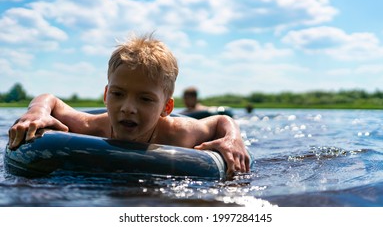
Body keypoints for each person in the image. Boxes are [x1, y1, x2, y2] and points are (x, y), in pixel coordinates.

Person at [8, 33, 250, 177]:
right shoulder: (93, 126)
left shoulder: (180, 134)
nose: (128, 108)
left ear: (166, 108)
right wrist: (37, 111)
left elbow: (221, 120)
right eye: (118, 94)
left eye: (145, 99)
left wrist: (232, 138)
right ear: (105, 95)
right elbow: (49, 98)